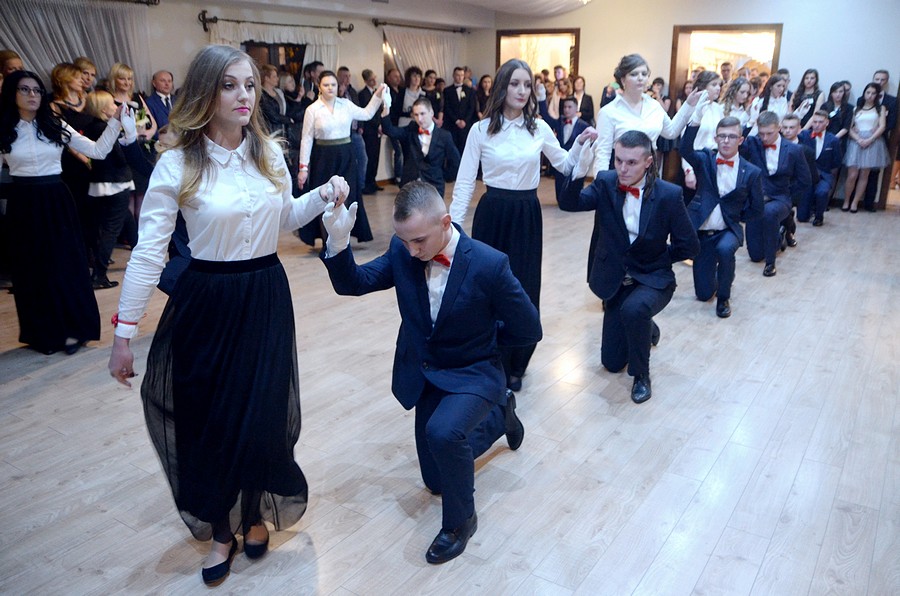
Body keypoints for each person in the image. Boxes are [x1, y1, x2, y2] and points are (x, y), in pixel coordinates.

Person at [107, 45, 344, 586]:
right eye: (230, 85)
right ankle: (221, 530)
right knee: (208, 422)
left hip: (265, 296)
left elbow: (284, 217)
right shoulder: (178, 163)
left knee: (261, 415)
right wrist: (123, 333)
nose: (244, 96)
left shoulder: (269, 154)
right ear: (205, 92)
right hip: (206, 300)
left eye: (250, 85)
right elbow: (148, 252)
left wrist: (323, 196)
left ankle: (254, 514)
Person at [320, 181, 540, 564]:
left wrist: (484, 345)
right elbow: (355, 283)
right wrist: (338, 243)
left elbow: (528, 328)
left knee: (443, 433)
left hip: (473, 371)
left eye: (419, 241)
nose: (411, 250)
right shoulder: (403, 250)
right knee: (435, 480)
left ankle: (460, 522)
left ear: (445, 222)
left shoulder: (489, 264)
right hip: (427, 373)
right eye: (404, 240)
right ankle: (500, 417)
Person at [449, 59, 595, 392]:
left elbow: (566, 165)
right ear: (502, 86)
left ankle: (517, 362)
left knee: (523, 287)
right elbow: (465, 180)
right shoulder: (480, 130)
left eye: (527, 85)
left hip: (527, 214)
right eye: (515, 83)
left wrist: (582, 144)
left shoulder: (539, 128)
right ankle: (489, 359)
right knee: (487, 289)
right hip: (492, 212)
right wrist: (453, 227)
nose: (522, 90)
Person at [558, 131, 699, 403]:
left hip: (652, 277)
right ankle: (647, 327)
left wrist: (658, 258)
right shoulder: (605, 182)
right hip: (616, 280)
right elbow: (570, 203)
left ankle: (641, 375)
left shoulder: (669, 195)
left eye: (631, 162)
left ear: (648, 162)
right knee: (611, 363)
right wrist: (579, 169)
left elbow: (689, 246)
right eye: (618, 160)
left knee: (635, 309)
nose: (622, 168)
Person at [0, 70, 128, 354]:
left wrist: (115, 122)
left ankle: (74, 331)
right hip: (23, 203)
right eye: (24, 89)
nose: (32, 95)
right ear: (12, 93)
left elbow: (97, 151)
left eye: (36, 90)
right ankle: (43, 334)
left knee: (66, 265)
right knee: (31, 269)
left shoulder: (54, 124)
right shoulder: (4, 129)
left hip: (56, 199)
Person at [681, 117, 764, 318]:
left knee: (725, 250)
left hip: (728, 229)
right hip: (703, 231)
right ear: (715, 138)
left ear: (741, 140)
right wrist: (694, 122)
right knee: (703, 294)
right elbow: (685, 149)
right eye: (722, 136)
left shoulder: (751, 172)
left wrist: (737, 217)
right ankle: (723, 276)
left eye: (732, 136)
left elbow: (757, 207)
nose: (726, 141)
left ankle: (724, 298)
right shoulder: (705, 160)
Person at [296, 70, 384, 245]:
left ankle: (343, 238)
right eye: (326, 85)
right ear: (319, 87)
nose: (330, 88)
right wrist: (303, 168)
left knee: (347, 196)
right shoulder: (312, 109)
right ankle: (327, 240)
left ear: (338, 86)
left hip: (346, 156)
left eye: (333, 85)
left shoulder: (346, 105)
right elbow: (306, 138)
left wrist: (378, 95)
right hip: (323, 157)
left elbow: (367, 114)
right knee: (325, 198)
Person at [591, 54, 700, 175]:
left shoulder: (654, 106)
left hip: (650, 171)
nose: (640, 78)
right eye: (634, 74)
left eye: (644, 74)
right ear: (623, 80)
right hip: (620, 171)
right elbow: (602, 154)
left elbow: (671, 131)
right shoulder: (609, 111)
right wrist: (601, 183)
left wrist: (689, 104)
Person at [739, 110, 812, 277]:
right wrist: (749, 124)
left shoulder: (794, 150)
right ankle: (780, 235)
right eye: (761, 133)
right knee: (755, 256)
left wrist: (788, 196)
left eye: (769, 133)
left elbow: (805, 180)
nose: (765, 138)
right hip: (757, 199)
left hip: (780, 198)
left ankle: (771, 263)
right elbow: (738, 149)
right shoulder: (753, 143)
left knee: (769, 213)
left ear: (779, 128)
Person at [82, 90, 140, 289]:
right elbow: (119, 157)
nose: (116, 107)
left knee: (126, 221)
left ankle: (142, 256)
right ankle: (99, 275)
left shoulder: (91, 127)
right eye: (112, 104)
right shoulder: (105, 128)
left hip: (100, 183)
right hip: (116, 182)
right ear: (102, 108)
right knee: (111, 229)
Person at [380, 96, 460, 198]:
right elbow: (390, 131)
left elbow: (455, 161)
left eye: (422, 114)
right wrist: (386, 107)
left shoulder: (444, 136)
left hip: (434, 185)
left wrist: (443, 176)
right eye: (416, 115)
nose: (419, 119)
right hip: (410, 184)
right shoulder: (411, 129)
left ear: (431, 113)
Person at [842, 82, 890, 212]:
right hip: (856, 142)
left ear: (877, 95)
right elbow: (849, 127)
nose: (870, 95)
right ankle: (846, 201)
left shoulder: (881, 108)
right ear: (864, 93)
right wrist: (858, 139)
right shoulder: (856, 109)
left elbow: (882, 126)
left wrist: (870, 139)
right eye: (868, 92)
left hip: (872, 142)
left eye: (873, 93)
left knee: (864, 175)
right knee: (852, 175)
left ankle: (855, 203)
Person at [778, 114, 819, 247]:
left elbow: (812, 177)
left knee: (788, 209)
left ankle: (788, 232)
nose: (788, 131)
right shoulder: (773, 147)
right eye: (785, 127)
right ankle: (783, 234)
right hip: (776, 187)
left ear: (799, 129)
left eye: (792, 127)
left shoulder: (806, 151)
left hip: (796, 189)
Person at [539, 95, 590, 200]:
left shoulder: (584, 126)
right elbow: (546, 117)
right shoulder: (560, 122)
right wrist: (541, 98)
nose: (566, 109)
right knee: (560, 193)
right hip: (561, 160)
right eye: (565, 107)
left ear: (576, 108)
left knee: (574, 192)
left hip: (576, 162)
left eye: (569, 107)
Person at [681, 71, 724, 193]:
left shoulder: (718, 108)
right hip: (695, 159)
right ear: (703, 86)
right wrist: (688, 170)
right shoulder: (693, 108)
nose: (718, 88)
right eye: (714, 84)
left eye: (719, 85)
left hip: (714, 160)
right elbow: (685, 141)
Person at [798, 110, 843, 226]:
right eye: (815, 122)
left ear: (827, 123)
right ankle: (809, 210)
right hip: (807, 176)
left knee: (822, 192)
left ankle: (819, 216)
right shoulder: (804, 136)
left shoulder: (833, 140)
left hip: (824, 175)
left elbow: (837, 161)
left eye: (820, 122)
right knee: (802, 217)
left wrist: (829, 176)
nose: (817, 125)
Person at [443, 66, 477, 156]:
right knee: (452, 149)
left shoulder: (470, 90)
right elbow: (447, 107)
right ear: (453, 76)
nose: (460, 77)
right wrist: (456, 121)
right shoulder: (447, 90)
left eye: (461, 75)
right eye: (457, 75)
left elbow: (471, 107)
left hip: (466, 125)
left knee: (465, 148)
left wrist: (465, 121)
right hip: (452, 124)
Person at [358, 69, 383, 194]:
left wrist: (381, 124)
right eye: (371, 79)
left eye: (374, 78)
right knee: (370, 156)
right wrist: (377, 125)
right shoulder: (363, 94)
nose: (374, 81)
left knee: (376, 157)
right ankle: (367, 183)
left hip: (378, 129)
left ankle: (373, 181)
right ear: (366, 80)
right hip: (369, 130)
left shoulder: (376, 92)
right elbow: (367, 113)